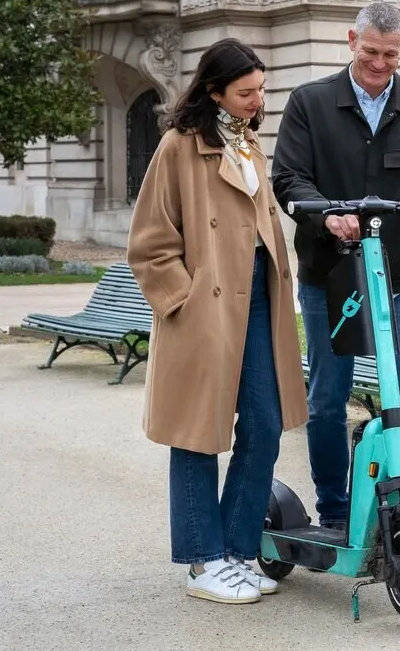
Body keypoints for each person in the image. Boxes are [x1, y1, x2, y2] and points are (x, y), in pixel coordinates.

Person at [271, 1, 400, 528]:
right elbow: (288, 179)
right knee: (328, 399)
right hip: (329, 276)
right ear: (351, 39)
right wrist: (327, 214)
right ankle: (335, 511)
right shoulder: (309, 102)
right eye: (371, 51)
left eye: (390, 54)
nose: (380, 64)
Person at [127, 39, 309, 604]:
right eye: (246, 91)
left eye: (260, 90)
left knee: (264, 422)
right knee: (197, 431)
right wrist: (183, 301)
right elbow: (150, 243)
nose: (258, 100)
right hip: (206, 307)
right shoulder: (179, 147)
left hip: (258, 302)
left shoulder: (249, 143)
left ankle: (237, 548)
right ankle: (204, 560)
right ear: (214, 90)